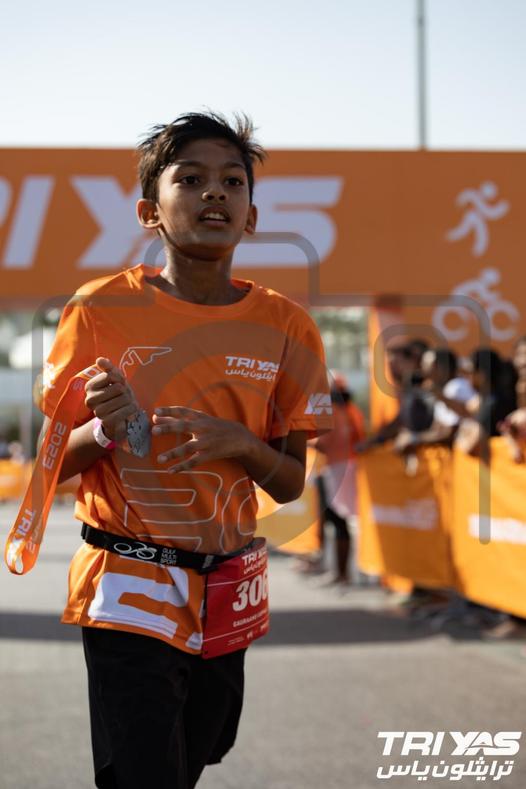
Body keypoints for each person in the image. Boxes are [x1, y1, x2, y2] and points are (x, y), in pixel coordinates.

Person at [36, 112, 332, 789]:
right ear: (150, 211)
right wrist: (107, 429)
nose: (215, 193)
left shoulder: (288, 325)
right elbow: (52, 462)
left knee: (191, 761)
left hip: (227, 585)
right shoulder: (99, 308)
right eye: (191, 179)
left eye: (232, 182)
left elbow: (289, 484)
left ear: (252, 216)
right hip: (125, 580)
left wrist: (242, 445)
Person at [314, 375, 365, 586]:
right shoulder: (352, 411)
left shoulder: (334, 412)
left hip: (337, 469)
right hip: (347, 467)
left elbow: (323, 443)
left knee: (338, 520)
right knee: (341, 520)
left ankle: (343, 573)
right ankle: (342, 572)